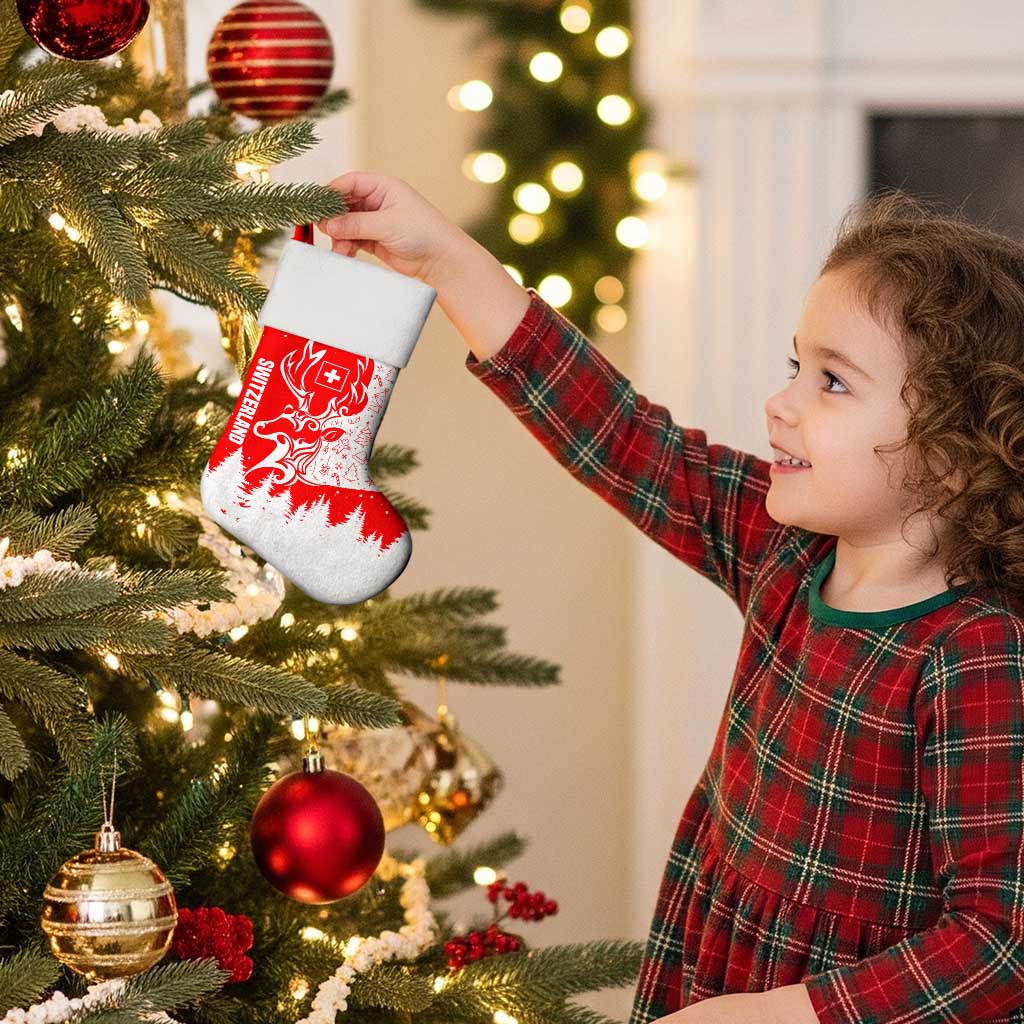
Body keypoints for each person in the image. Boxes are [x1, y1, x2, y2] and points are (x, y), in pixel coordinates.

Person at [318, 174, 1024, 1024]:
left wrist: (778, 1016)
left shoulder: (978, 652)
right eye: (797, 366)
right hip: (716, 964)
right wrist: (450, 261)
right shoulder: (786, 552)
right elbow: (622, 436)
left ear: (955, 453)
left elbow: (998, 942)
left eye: (832, 383)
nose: (782, 403)